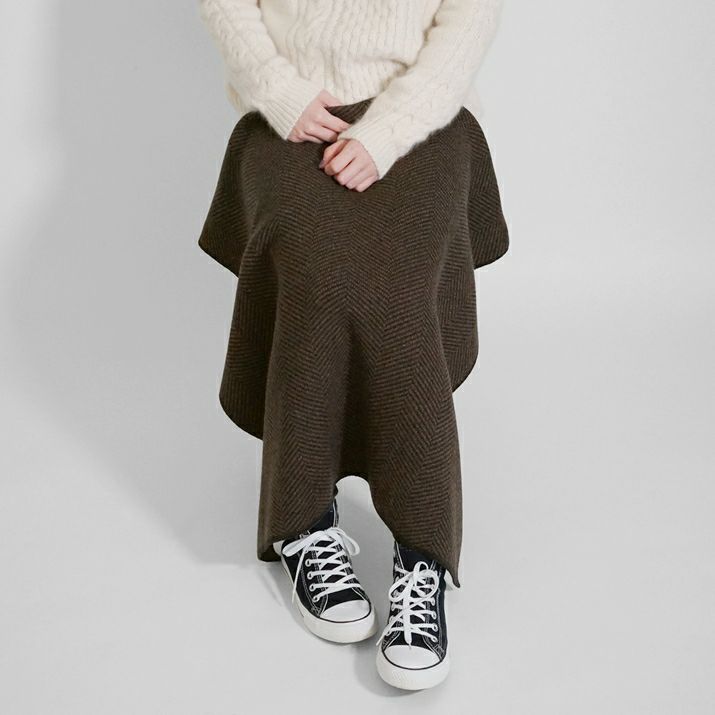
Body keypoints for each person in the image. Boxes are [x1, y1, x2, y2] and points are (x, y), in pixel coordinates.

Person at [198, 0, 508, 691]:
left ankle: (423, 556)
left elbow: (470, 18)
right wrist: (278, 90)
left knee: (399, 301)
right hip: (294, 115)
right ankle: (303, 519)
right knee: (316, 281)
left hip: (424, 116)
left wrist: (389, 129)